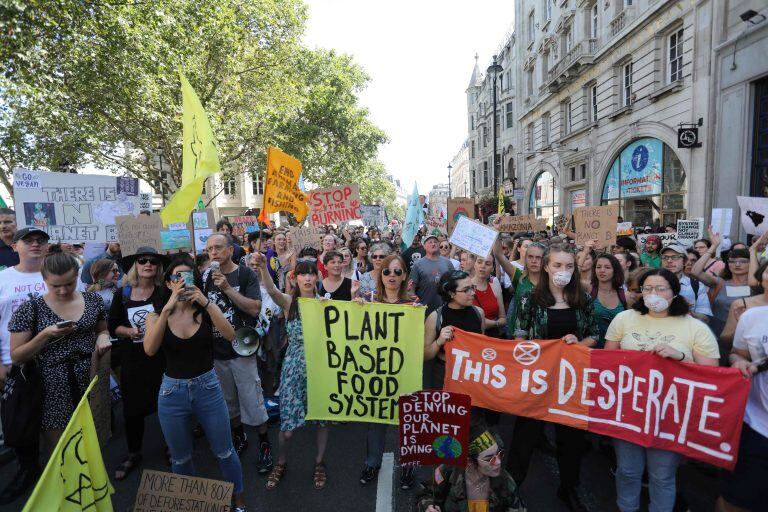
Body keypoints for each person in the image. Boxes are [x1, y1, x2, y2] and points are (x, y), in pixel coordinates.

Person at [604, 269, 719, 512]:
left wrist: (680, 356)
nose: (653, 294)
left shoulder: (694, 327)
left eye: (661, 288)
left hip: (669, 414)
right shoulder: (624, 319)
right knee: (627, 470)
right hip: (629, 410)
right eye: (647, 288)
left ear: (674, 292)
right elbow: (607, 361)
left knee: (662, 476)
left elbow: (712, 374)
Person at [143, 255, 248, 512]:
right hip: (172, 392)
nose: (182, 282)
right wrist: (168, 308)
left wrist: (207, 302)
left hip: (208, 387)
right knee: (181, 457)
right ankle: (190, 503)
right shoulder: (156, 315)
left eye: (187, 276)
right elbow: (150, 349)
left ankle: (239, 501)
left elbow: (231, 335)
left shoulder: (204, 310)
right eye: (176, 277)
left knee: (224, 451)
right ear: (168, 283)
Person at [508, 244, 596, 512]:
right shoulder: (529, 299)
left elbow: (594, 335)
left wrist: (579, 343)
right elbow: (519, 337)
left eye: (569, 266)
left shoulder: (584, 299)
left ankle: (568, 488)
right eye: (558, 265)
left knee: (570, 441)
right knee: (524, 438)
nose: (564, 271)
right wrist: (538, 349)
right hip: (538, 381)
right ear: (546, 267)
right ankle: (510, 489)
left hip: (570, 383)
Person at [10, 252, 112, 448]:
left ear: (77, 277)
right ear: (44, 279)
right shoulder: (30, 308)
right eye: (56, 286)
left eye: (69, 284)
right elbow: (17, 356)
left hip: (90, 380)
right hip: (53, 388)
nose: (63, 291)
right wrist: (45, 335)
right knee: (63, 453)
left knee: (93, 448)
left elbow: (102, 328)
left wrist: (102, 337)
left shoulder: (93, 300)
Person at [251, 254, 331, 491]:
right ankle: (281, 462)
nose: (307, 278)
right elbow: (271, 290)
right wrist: (264, 267)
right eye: (302, 274)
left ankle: (319, 463)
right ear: (295, 279)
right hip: (294, 368)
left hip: (321, 367)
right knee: (287, 429)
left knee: (322, 420)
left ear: (317, 277)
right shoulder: (288, 303)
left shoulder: (326, 303)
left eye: (311, 273)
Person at [203, 233, 271, 471]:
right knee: (228, 401)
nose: (213, 252)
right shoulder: (204, 277)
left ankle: (263, 442)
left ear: (231, 250)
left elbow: (254, 309)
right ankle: (239, 437)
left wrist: (228, 289)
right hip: (217, 352)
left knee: (252, 400)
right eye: (210, 248)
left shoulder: (245, 274)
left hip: (242, 349)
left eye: (218, 248)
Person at [357, 254, 417, 489]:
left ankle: (409, 465)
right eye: (387, 272)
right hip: (377, 372)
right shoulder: (368, 299)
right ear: (380, 276)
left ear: (404, 277)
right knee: (376, 420)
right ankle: (372, 462)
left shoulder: (414, 304)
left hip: (404, 372)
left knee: (407, 420)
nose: (392, 276)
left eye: (397, 272)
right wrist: (355, 308)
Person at [107, 247, 168, 481]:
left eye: (153, 261)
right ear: (136, 266)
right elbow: (113, 325)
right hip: (132, 360)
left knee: (166, 406)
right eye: (143, 261)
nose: (148, 264)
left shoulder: (163, 293)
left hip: (161, 358)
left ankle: (172, 446)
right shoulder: (122, 294)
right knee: (132, 410)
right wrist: (127, 331)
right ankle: (133, 452)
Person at [0, 228, 49, 502]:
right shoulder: (2, 279)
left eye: (40, 241)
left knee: (56, 423)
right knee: (19, 427)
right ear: (15, 246)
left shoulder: (63, 273)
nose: (35, 244)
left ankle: (60, 470)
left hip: (55, 363)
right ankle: (28, 470)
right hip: (14, 366)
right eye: (28, 241)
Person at [719, 304, 768, 512]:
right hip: (755, 426)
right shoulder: (753, 317)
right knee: (736, 498)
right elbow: (737, 354)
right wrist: (738, 362)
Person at [424, 270, 485, 389]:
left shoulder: (479, 313)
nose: (473, 293)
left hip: (472, 373)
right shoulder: (435, 317)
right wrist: (439, 341)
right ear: (451, 293)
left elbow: (482, 345)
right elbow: (425, 355)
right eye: (466, 289)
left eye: (473, 287)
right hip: (443, 374)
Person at [690, 228, 752, 340]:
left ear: (751, 264)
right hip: (717, 334)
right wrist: (713, 246)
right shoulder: (720, 282)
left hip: (747, 335)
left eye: (743, 261)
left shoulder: (757, 286)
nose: (737, 264)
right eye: (732, 261)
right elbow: (695, 272)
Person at [720, 259, 768, 347]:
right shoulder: (740, 305)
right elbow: (725, 339)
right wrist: (741, 327)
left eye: (743, 261)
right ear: (761, 277)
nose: (737, 265)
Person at [661, 243, 712, 322]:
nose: (669, 261)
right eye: (665, 257)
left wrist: (687, 311)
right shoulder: (651, 284)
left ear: (684, 261)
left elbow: (705, 317)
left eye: (675, 257)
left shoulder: (697, 285)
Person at [410, 234, 455, 315]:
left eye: (435, 242)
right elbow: (411, 288)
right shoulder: (417, 265)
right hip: (424, 310)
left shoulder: (447, 263)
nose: (433, 244)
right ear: (424, 246)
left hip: (445, 310)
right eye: (430, 242)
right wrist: (414, 303)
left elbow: (455, 283)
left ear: (438, 245)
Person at [590, 254, 626, 348]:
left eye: (607, 267)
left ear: (615, 270)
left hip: (615, 352)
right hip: (590, 350)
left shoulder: (626, 296)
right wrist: (586, 251)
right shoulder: (588, 291)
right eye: (598, 267)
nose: (602, 270)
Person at [470, 256, 506, 337]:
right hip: (471, 337)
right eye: (479, 262)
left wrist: (493, 324)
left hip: (491, 337)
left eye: (487, 263)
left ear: (492, 268)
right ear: (474, 264)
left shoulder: (495, 287)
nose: (483, 266)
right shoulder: (465, 287)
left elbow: (503, 318)